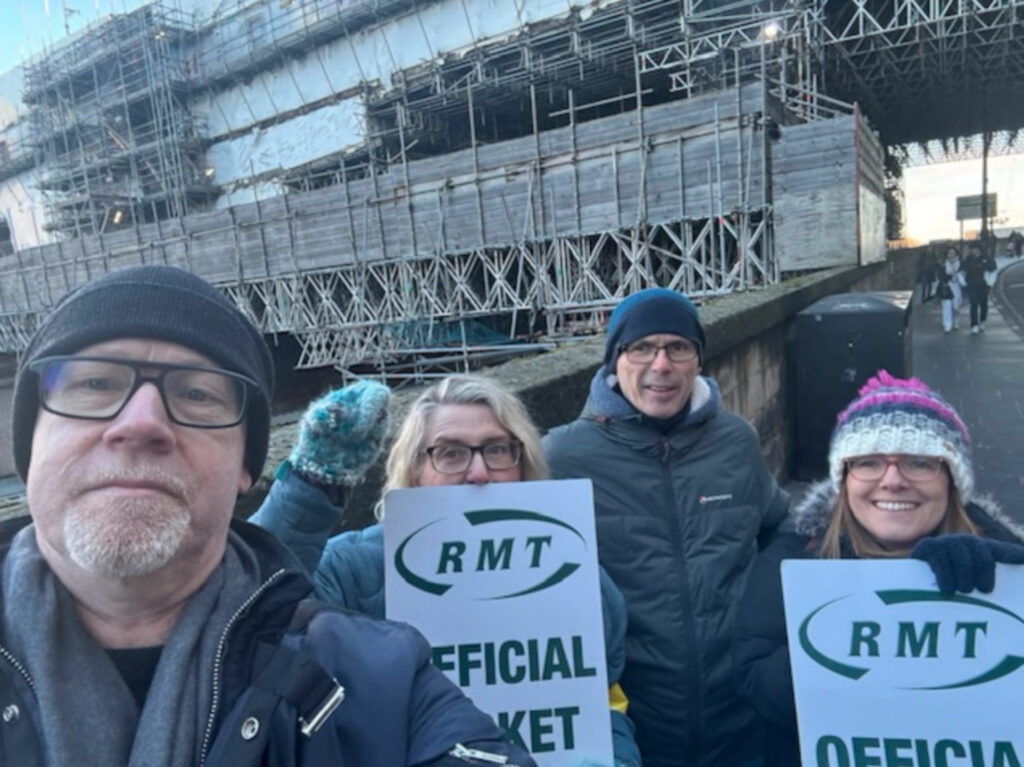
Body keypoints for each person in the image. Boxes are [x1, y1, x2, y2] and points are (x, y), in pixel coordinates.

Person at [4, 265, 535, 766]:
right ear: (29, 447)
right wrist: (312, 484)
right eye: (95, 385)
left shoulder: (385, 682)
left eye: (195, 394)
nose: (141, 423)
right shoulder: (355, 575)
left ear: (244, 467)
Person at [249, 374, 642, 767]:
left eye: (497, 449)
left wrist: (613, 759)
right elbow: (250, 609)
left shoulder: (580, 576)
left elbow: (606, 703)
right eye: (451, 453)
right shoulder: (352, 569)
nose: (479, 472)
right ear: (414, 469)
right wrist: (310, 489)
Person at [543, 287, 789, 767]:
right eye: (641, 348)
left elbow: (783, 531)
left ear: (698, 360)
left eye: (678, 347)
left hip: (738, 716)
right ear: (615, 361)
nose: (661, 365)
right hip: (636, 724)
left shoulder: (735, 440)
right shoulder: (561, 456)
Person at [733, 371, 1024, 767]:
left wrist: (976, 600)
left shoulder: (1005, 564)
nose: (892, 481)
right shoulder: (795, 561)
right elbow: (760, 690)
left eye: (919, 462)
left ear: (951, 480)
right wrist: (854, 617)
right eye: (869, 462)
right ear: (845, 478)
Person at [962, 243, 997, 333]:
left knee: (983, 304)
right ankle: (974, 324)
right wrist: (964, 283)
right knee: (973, 304)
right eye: (972, 249)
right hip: (971, 284)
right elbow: (961, 271)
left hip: (983, 284)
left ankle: (982, 321)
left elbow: (993, 271)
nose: (973, 251)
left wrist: (990, 283)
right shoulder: (968, 260)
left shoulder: (987, 259)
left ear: (979, 249)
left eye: (975, 249)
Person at [941, 246, 964, 332]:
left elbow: (964, 274)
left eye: (953, 253)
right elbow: (941, 276)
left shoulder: (960, 264)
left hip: (957, 286)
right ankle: (947, 325)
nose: (951, 255)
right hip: (947, 287)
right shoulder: (943, 264)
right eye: (949, 253)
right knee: (946, 306)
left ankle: (956, 321)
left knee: (956, 306)